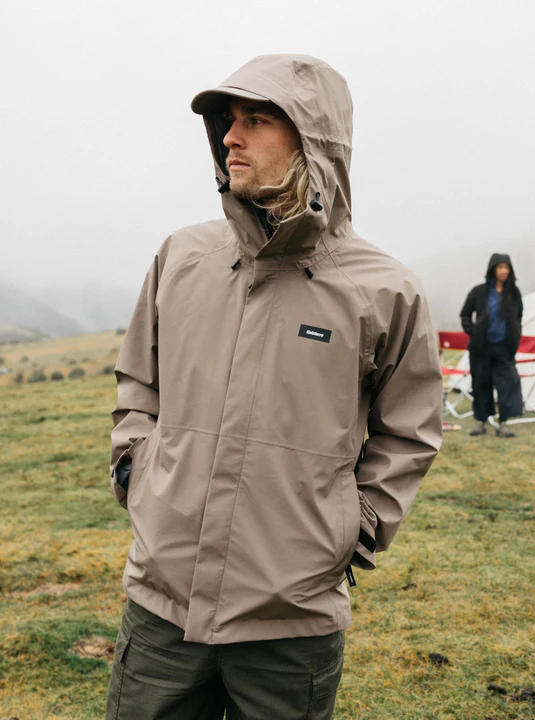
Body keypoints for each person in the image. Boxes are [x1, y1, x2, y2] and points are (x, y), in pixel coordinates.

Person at [106, 54, 443, 720]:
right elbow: (138, 382)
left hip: (291, 624)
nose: (230, 137)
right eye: (228, 121)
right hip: (162, 606)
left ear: (314, 140)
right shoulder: (182, 256)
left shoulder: (385, 290)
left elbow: (410, 431)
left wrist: (353, 529)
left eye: (256, 121)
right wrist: (135, 468)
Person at [460, 253, 523, 438]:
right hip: (481, 347)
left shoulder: (514, 293)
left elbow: (518, 316)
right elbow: (465, 314)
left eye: (506, 267)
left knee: (508, 383)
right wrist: (474, 331)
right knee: (481, 383)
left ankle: (503, 424)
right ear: (493, 269)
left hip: (504, 348)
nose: (504, 271)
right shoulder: (479, 291)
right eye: (500, 267)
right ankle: (481, 422)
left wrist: (515, 335)